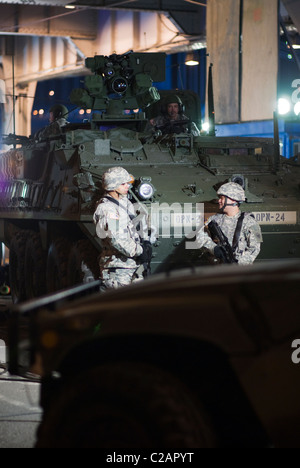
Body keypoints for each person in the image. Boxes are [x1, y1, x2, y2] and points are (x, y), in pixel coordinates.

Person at [93, 166, 152, 290]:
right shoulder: (107, 209)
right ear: (113, 186)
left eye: (128, 183)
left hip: (133, 266)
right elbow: (116, 238)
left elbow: (137, 223)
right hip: (118, 268)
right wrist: (140, 251)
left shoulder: (125, 202)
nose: (128, 186)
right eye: (123, 184)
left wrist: (146, 242)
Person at [196, 182, 263, 265]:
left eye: (222, 198)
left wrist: (238, 263)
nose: (219, 201)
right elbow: (199, 236)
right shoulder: (214, 219)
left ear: (233, 199)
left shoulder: (250, 222)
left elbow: (255, 249)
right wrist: (214, 248)